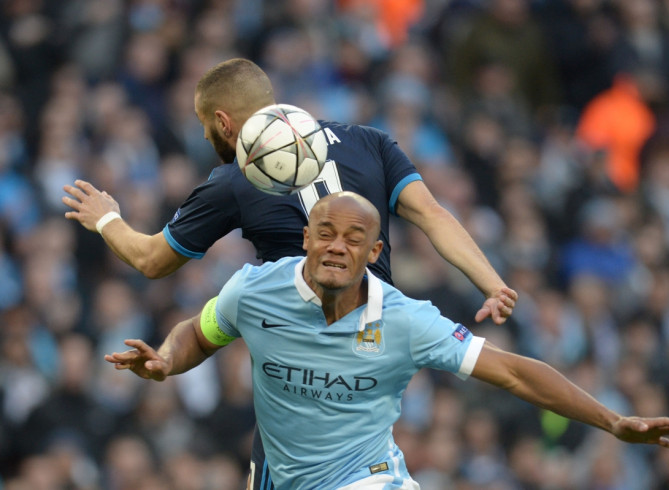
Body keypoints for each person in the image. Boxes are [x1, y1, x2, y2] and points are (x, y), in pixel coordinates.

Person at [62, 58, 518, 488]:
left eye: (206, 129)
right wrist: (491, 283)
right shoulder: (369, 141)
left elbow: (150, 260)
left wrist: (106, 217)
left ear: (223, 123)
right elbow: (433, 214)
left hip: (296, 343)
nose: (206, 139)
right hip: (377, 337)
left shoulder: (232, 180)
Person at [105, 192, 669, 490]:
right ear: (306, 239)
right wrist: (166, 362)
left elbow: (515, 372)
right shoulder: (254, 291)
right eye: (326, 233)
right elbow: (200, 334)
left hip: (370, 476)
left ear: (374, 253)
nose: (337, 246)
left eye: (354, 238)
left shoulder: (407, 321)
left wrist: (612, 420)